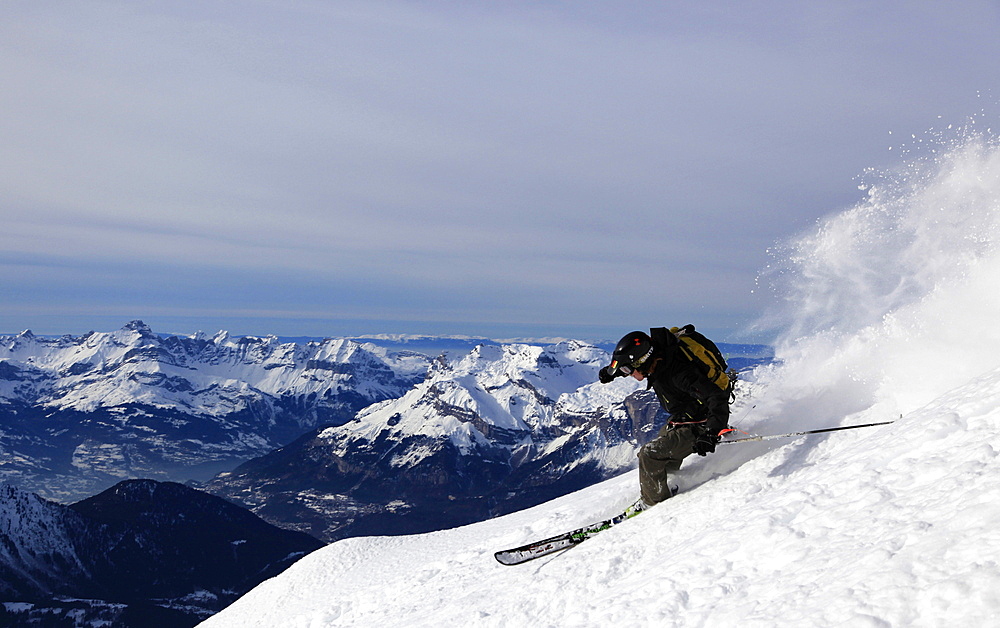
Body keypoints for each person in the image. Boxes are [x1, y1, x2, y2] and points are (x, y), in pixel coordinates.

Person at [599, 327, 732, 508]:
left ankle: (654, 505)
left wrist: (712, 432)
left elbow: (716, 397)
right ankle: (667, 485)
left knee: (650, 455)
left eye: (628, 370)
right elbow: (633, 363)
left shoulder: (680, 373)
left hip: (701, 424)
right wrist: (611, 372)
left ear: (643, 362)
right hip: (683, 417)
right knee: (659, 452)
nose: (628, 374)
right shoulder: (659, 355)